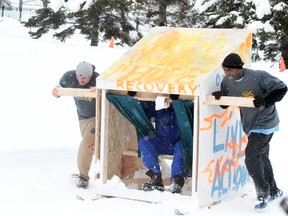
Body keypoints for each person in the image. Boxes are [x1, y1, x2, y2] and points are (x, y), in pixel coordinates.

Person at [212, 53, 287, 209]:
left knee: (251, 156)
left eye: (229, 70)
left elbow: (282, 88)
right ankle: (274, 191)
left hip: (266, 123)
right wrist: (221, 98)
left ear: (239, 67)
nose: (226, 74)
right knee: (262, 157)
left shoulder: (258, 77)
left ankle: (263, 193)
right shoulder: (227, 82)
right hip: (250, 125)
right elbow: (226, 104)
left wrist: (266, 101)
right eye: (224, 70)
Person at [52, 61, 99, 189]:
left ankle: (83, 177)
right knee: (91, 146)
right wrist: (56, 92)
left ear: (91, 75)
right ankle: (100, 171)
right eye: (78, 76)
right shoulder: (69, 77)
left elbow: (110, 93)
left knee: (86, 143)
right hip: (82, 118)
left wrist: (100, 90)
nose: (80, 80)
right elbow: (57, 88)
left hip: (98, 117)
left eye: (83, 77)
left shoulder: (98, 79)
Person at [139, 96, 185, 194]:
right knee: (145, 141)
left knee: (181, 146)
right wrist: (138, 97)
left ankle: (176, 181)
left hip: (178, 143)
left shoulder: (183, 107)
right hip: (162, 142)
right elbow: (145, 109)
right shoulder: (159, 107)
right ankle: (156, 178)